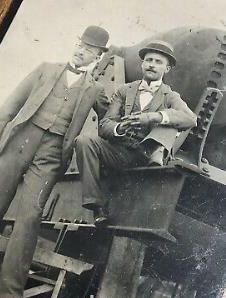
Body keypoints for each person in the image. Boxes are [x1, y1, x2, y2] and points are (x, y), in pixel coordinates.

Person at [0, 25, 109, 298]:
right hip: (19, 142)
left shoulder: (94, 90)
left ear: (98, 57)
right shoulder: (46, 69)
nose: (81, 50)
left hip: (51, 155)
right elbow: (15, 99)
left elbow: (110, 118)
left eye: (88, 49)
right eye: (79, 44)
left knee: (30, 217)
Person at [75, 40, 197, 226]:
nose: (152, 65)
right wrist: (119, 128)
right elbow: (105, 123)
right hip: (120, 151)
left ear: (167, 69)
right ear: (142, 64)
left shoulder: (170, 96)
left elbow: (191, 119)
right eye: (149, 60)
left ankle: (156, 161)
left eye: (158, 62)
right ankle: (96, 206)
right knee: (83, 141)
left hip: (147, 154)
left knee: (170, 118)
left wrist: (153, 117)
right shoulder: (124, 91)